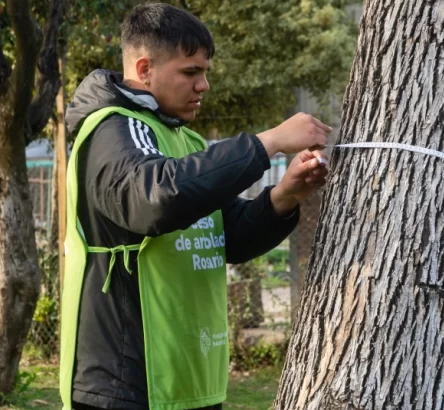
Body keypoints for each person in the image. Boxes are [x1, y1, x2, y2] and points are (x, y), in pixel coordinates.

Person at [59, 3, 331, 410]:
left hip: (187, 380)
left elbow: (228, 236)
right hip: (124, 384)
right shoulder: (112, 128)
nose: (203, 86)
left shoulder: (186, 141)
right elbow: (153, 200)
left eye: (205, 73)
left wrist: (284, 196)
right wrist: (266, 142)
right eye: (190, 72)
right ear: (145, 68)